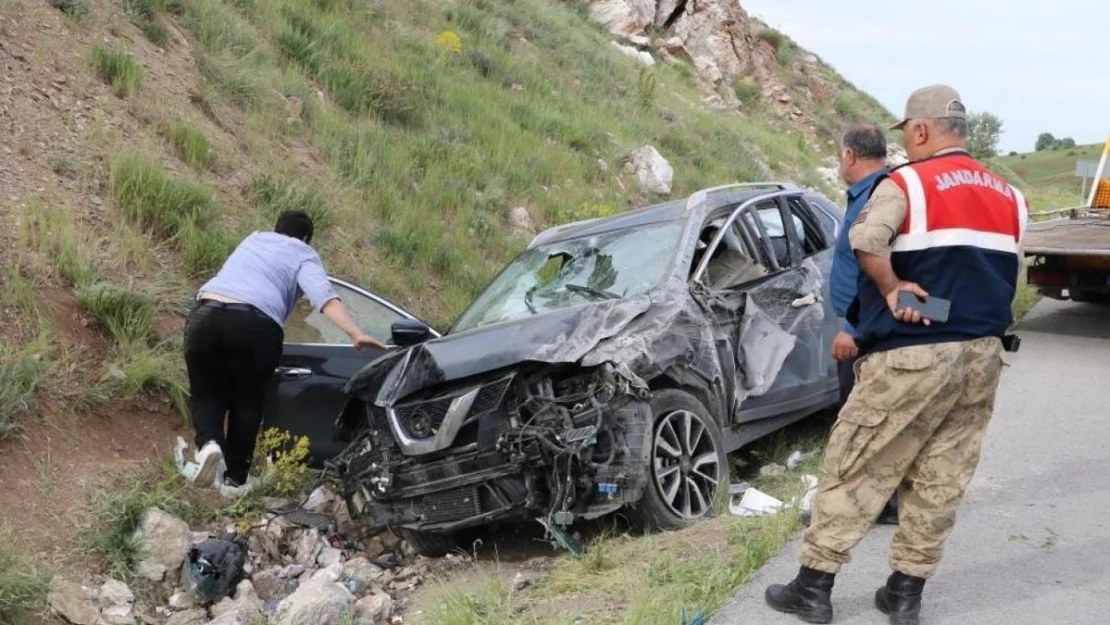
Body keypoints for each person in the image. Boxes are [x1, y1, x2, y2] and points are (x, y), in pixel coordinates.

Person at [765, 85, 1027, 625]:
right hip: (981, 355)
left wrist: (891, 289)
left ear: (923, 130)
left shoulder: (906, 181)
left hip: (912, 354)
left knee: (856, 462)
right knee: (942, 475)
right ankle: (905, 593)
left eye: (906, 130)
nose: (904, 140)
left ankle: (813, 586)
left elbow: (866, 241)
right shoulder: (1010, 195)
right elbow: (998, 277)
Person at [184, 210, 386, 497]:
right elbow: (323, 296)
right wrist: (354, 332)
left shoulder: (253, 240)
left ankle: (208, 446)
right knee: (247, 402)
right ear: (305, 238)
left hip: (205, 314)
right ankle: (235, 480)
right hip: (255, 323)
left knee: (206, 392)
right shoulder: (303, 252)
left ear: (276, 229)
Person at [829, 123, 899, 527]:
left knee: (859, 419)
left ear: (850, 156)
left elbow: (871, 264)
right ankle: (882, 502)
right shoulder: (873, 192)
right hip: (866, 321)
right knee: (870, 416)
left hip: (865, 326)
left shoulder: (876, 196)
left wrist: (852, 327)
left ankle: (863, 506)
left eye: (841, 155)